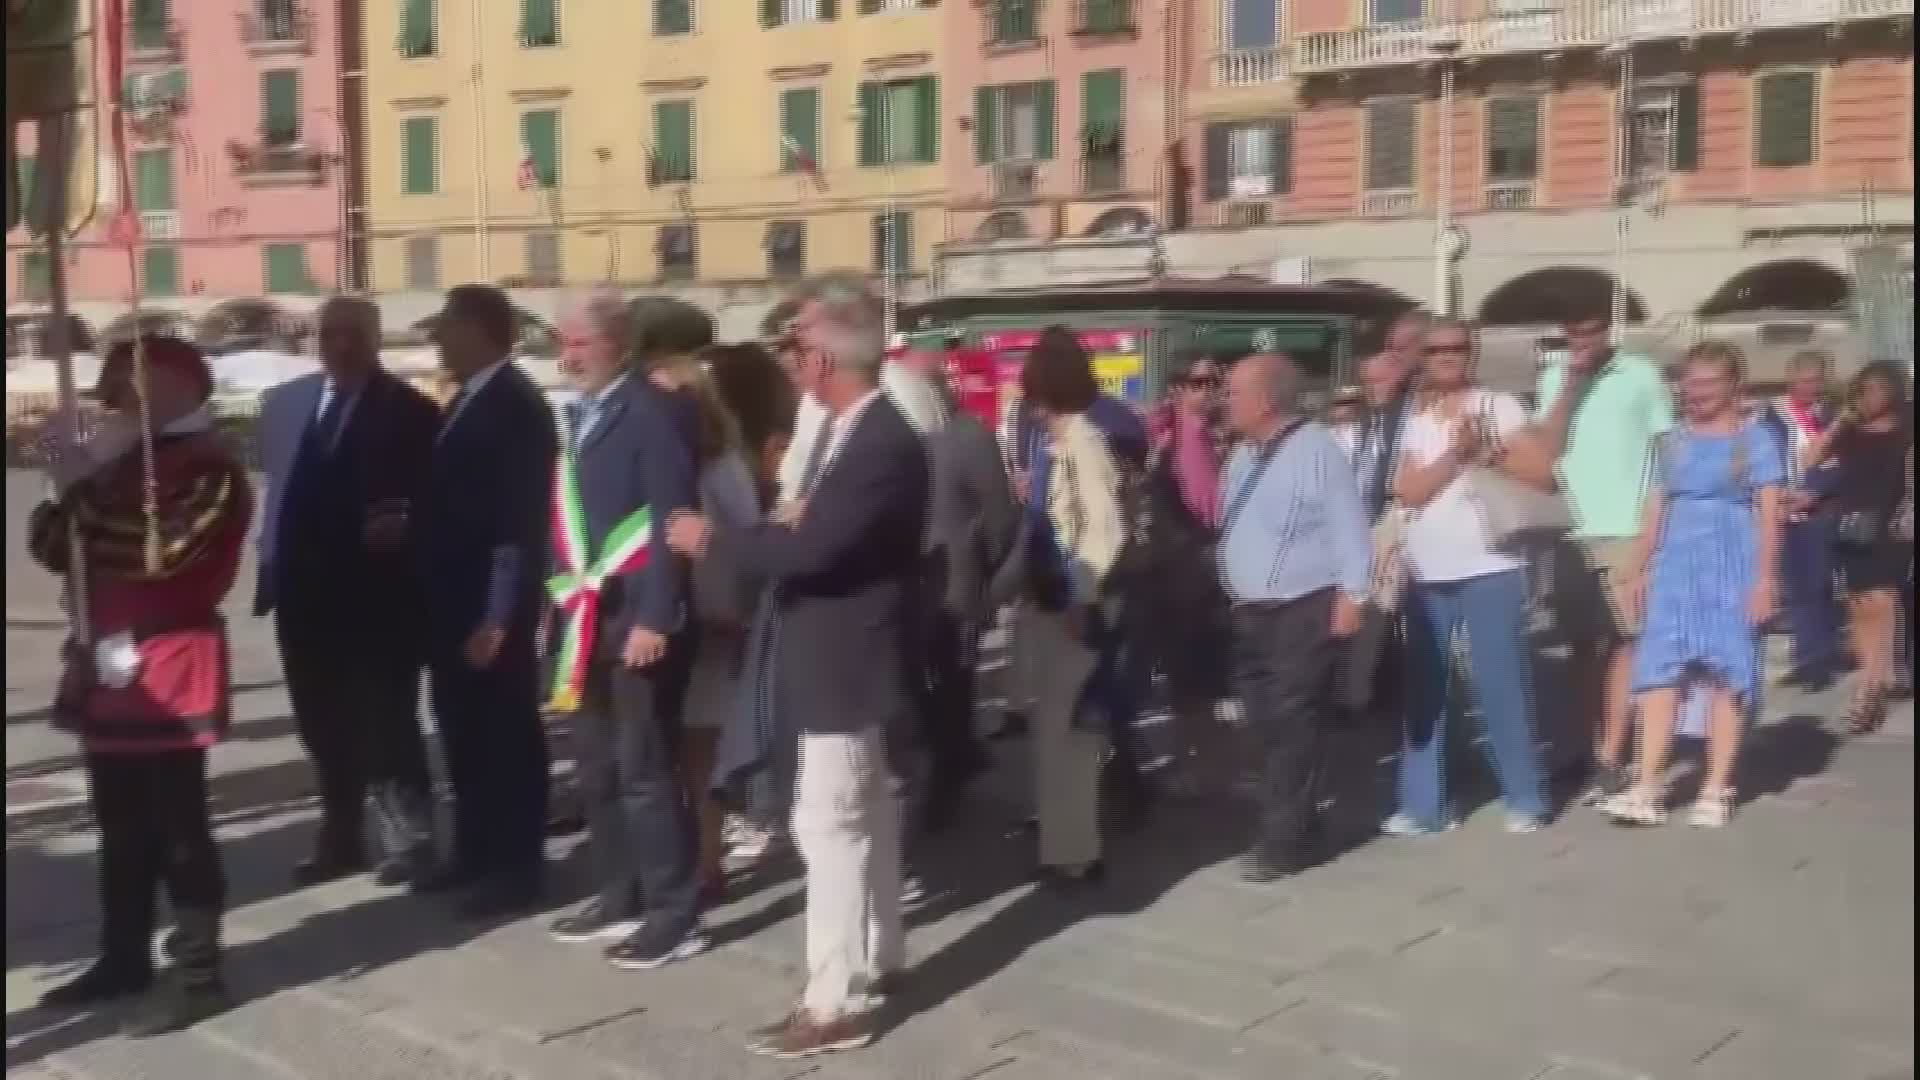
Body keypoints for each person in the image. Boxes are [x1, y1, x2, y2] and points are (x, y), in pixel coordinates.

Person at [668, 282, 928, 1059]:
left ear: (819, 358)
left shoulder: (878, 437)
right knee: (868, 814)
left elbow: (814, 553)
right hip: (850, 650)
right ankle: (880, 955)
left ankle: (834, 1000)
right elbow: (829, 531)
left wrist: (714, 537)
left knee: (830, 825)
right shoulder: (863, 429)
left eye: (794, 345)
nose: (788, 359)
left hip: (843, 657)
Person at [30, 336, 253, 1035]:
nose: (116, 400)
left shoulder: (213, 469)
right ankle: (122, 954)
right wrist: (62, 488)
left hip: (172, 660)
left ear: (177, 386)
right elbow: (50, 549)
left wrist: (84, 499)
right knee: (119, 821)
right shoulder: (121, 465)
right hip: (106, 662)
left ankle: (198, 973)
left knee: (178, 823)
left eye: (132, 386)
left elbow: (160, 553)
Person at [537, 289, 708, 965]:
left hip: (636, 619)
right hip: (586, 621)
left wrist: (658, 615)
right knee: (598, 769)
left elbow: (672, 518)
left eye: (581, 342)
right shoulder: (580, 413)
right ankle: (620, 892)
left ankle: (675, 912)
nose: (568, 354)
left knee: (644, 772)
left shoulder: (652, 412)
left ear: (619, 344)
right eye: (563, 341)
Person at [256, 297, 440, 889]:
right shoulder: (285, 406)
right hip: (302, 597)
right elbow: (278, 489)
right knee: (322, 725)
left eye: (351, 334)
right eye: (327, 334)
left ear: (374, 338)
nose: (338, 345)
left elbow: (434, 498)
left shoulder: (410, 411)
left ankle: (410, 843)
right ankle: (340, 840)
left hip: (377, 599)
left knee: (386, 723)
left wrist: (405, 520)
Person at [417, 284, 559, 918]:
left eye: (447, 328)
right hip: (452, 600)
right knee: (462, 729)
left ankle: (516, 864)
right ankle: (475, 848)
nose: (440, 340)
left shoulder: (516, 407)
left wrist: (498, 616)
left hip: (486, 604)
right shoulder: (468, 403)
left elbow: (516, 524)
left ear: (479, 329)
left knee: (505, 734)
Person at [1601, 342, 1784, 828]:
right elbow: (1655, 509)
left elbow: (1770, 515)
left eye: (1706, 382)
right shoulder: (1672, 441)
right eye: (1688, 381)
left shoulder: (1757, 440)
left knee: (1727, 671)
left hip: (1732, 561)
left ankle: (1716, 787)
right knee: (1659, 672)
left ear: (1732, 386)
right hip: (1676, 563)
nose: (1694, 392)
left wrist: (1765, 578)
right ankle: (1646, 785)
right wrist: (1636, 568)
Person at [1383, 318, 1552, 836]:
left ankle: (1526, 798)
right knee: (1426, 691)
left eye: (1457, 348)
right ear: (1423, 357)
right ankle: (1424, 807)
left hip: (1492, 564)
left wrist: (1489, 452)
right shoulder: (1414, 416)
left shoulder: (1500, 406)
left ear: (1472, 353)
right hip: (1426, 567)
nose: (1446, 356)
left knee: (1502, 685)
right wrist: (1456, 456)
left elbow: (1541, 473)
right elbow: (1407, 491)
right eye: (1435, 350)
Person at [1216, 352, 1368, 882]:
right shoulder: (1241, 456)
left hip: (1303, 607)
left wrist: (1354, 596)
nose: (1224, 400)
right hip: (1250, 613)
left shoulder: (1316, 450)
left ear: (1267, 400)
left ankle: (1285, 842)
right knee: (1264, 724)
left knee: (1294, 721)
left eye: (1233, 392)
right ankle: (1297, 821)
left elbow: (1350, 525)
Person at [636, 306, 763, 908]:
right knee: (684, 748)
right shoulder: (714, 458)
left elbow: (747, 533)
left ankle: (706, 860)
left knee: (697, 750)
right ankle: (695, 857)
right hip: (688, 615)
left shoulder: (716, 462)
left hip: (712, 618)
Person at [1533, 302, 1674, 802]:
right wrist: (1571, 382)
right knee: (1579, 649)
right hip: (1570, 531)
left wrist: (1653, 535)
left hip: (1625, 532)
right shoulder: (1553, 376)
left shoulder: (1642, 375)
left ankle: (1612, 755)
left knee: (1622, 644)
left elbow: (1666, 454)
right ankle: (1581, 745)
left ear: (1607, 328)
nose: (1582, 339)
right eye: (1572, 331)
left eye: (1589, 329)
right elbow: (1544, 447)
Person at [1009, 327, 1129, 889]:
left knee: (1072, 737)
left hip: (1073, 606)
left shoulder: (1081, 439)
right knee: (1055, 731)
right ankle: (1062, 843)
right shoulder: (1053, 441)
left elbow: (1102, 528)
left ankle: (1077, 852)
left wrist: (1085, 596)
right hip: (1048, 602)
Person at [895, 346, 1017, 832]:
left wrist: (982, 565)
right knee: (941, 689)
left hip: (939, 586)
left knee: (943, 687)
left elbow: (999, 518)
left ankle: (948, 775)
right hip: (934, 585)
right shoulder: (951, 436)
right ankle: (953, 765)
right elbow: (1001, 519)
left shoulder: (957, 436)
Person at [1139, 350, 1230, 793]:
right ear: (1177, 388)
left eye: (1214, 381)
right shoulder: (1165, 431)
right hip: (1183, 561)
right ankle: (1195, 759)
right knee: (1187, 666)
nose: (1210, 390)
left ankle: (1199, 758)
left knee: (1204, 668)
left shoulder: (1219, 432)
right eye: (1199, 382)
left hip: (1213, 556)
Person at [1805, 362, 1912, 734]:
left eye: (1875, 389)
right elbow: (1810, 460)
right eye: (1862, 389)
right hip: (1851, 523)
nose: (1867, 396)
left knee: (1879, 601)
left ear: (1893, 392)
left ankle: (1871, 685)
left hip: (1892, 525)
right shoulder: (1851, 429)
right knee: (1857, 602)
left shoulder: (1908, 426)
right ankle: (1872, 677)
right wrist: (1840, 421)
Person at [1760, 349, 1843, 690]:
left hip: (1819, 510)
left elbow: (1843, 461)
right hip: (1781, 509)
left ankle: (1818, 662)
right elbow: (1762, 456)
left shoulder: (1833, 416)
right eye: (1808, 380)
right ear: (1792, 379)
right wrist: (1775, 495)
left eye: (1819, 380)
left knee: (1817, 585)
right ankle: (1804, 657)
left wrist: (1816, 492)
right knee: (1794, 588)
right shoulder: (1772, 415)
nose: (1814, 387)